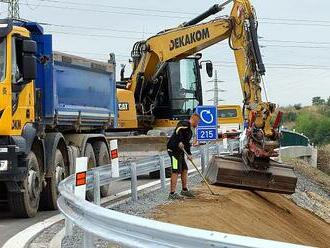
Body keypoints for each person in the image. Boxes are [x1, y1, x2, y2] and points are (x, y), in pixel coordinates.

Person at [167, 113, 200, 200]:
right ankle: (172, 193)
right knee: (175, 170)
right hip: (173, 151)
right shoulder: (184, 124)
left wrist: (189, 154)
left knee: (185, 169)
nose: (198, 124)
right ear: (194, 120)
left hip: (180, 152)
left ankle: (184, 190)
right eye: (198, 122)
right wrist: (179, 141)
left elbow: (187, 144)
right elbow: (178, 131)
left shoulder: (190, 131)